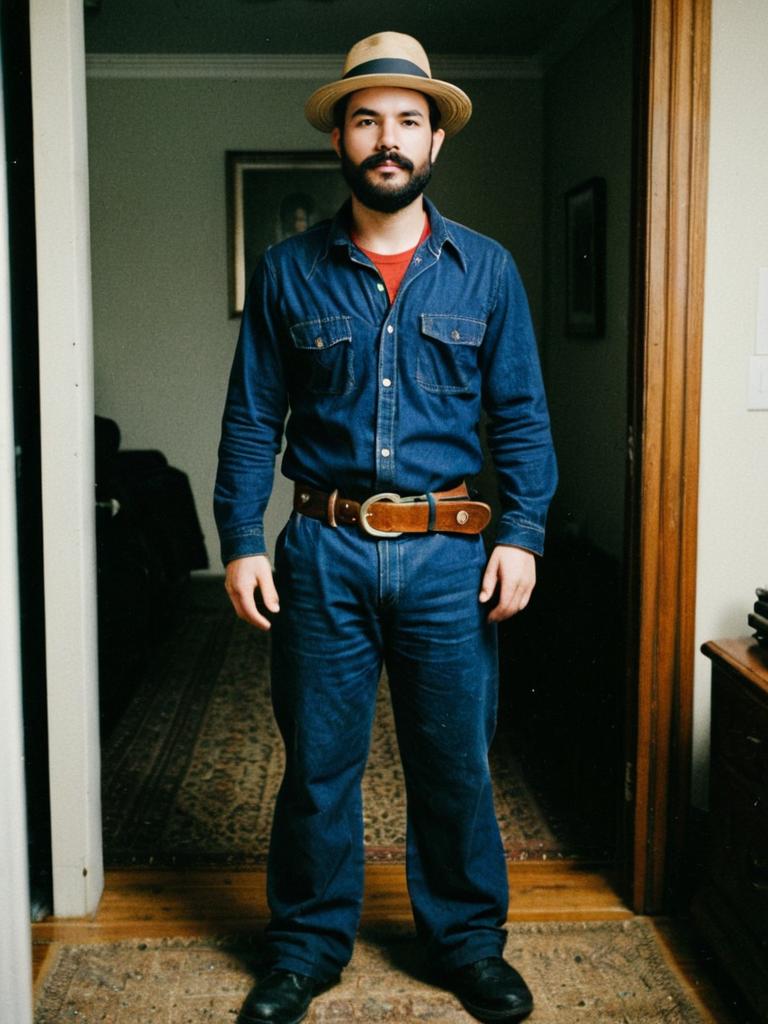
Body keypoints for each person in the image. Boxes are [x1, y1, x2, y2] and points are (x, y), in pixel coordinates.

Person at [214, 31, 557, 1024]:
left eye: (409, 119)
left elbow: (522, 417)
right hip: (322, 551)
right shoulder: (287, 271)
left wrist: (523, 533)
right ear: (340, 139)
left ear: (436, 139)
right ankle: (304, 949)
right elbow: (251, 419)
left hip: (451, 555)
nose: (388, 138)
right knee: (319, 767)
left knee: (455, 763)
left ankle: (465, 943)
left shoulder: (486, 271)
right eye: (367, 119)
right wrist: (242, 538)